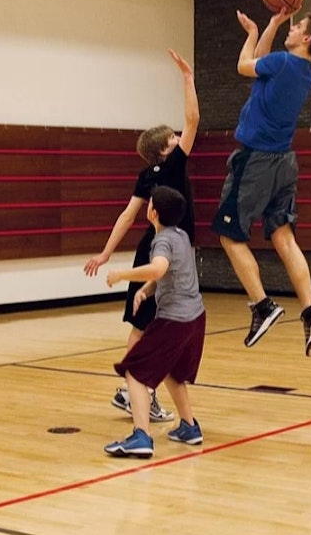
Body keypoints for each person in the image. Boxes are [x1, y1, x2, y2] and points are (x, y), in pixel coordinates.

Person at [211, 7, 311, 357]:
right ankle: (310, 309)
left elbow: (245, 64)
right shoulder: (302, 71)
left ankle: (262, 304)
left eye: (297, 26)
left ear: (306, 38)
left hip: (256, 160)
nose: (293, 28)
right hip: (285, 162)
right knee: (283, 236)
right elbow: (260, 64)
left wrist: (251, 34)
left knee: (229, 235)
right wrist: (273, 23)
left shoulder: (282, 62)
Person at [84, 48, 198, 422]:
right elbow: (194, 120)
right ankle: (134, 388)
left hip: (149, 249)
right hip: (167, 251)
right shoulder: (174, 163)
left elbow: (126, 215)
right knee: (153, 322)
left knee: (143, 322)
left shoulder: (146, 175)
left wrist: (105, 253)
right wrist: (187, 78)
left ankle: (132, 388)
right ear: (165, 149)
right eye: (173, 137)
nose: (179, 137)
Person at [103, 185, 206, 458]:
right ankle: (189, 426)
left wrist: (122, 275)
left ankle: (141, 437)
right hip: (196, 317)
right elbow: (171, 271)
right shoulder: (181, 235)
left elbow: (159, 267)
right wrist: (147, 290)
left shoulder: (160, 241)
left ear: (153, 212)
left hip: (175, 320)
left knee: (134, 373)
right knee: (173, 372)